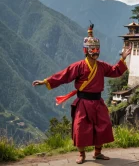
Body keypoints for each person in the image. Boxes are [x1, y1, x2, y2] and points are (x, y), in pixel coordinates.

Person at [32, 24, 131, 164]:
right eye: (93, 49)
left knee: (103, 125)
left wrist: (123, 59)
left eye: (97, 49)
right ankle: (81, 154)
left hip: (98, 102)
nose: (95, 52)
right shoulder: (79, 66)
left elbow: (115, 71)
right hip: (83, 103)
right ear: (86, 50)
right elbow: (63, 75)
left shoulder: (102, 66)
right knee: (80, 127)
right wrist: (45, 81)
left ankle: (98, 153)